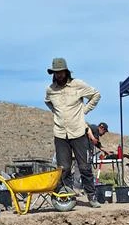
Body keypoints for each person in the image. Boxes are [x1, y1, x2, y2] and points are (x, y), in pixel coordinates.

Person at [44, 57, 102, 208]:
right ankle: (65, 198)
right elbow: (48, 102)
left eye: (61, 72)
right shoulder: (50, 89)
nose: (59, 75)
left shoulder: (78, 85)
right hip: (60, 134)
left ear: (66, 71)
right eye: (56, 73)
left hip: (78, 132)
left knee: (84, 166)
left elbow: (96, 95)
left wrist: (83, 111)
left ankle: (92, 197)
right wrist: (56, 113)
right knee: (64, 169)